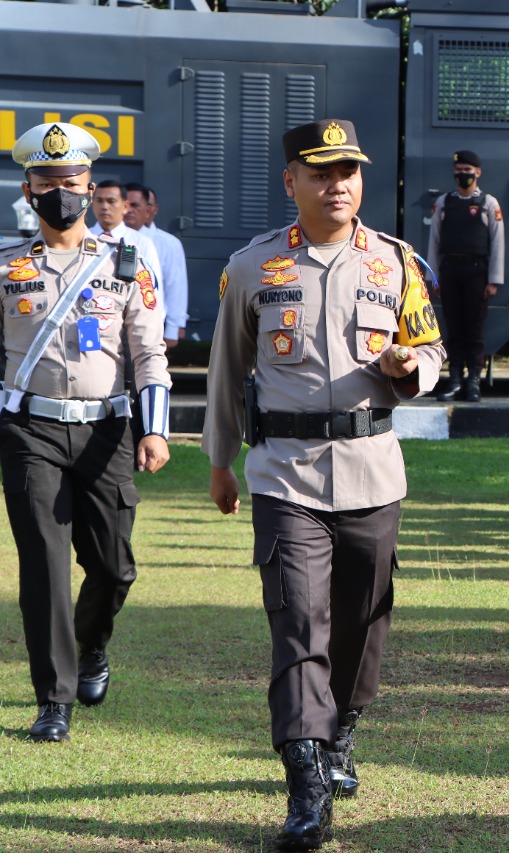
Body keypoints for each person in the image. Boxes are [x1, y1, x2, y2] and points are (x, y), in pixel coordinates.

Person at [202, 119, 444, 849]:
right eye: (321, 172)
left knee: (363, 620)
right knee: (298, 621)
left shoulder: (395, 263)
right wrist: (219, 460)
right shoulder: (253, 267)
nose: (338, 184)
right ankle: (306, 785)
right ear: (292, 183)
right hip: (286, 474)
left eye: (349, 171)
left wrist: (414, 369)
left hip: (374, 469)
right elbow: (225, 369)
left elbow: (431, 346)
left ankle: (341, 731)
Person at [0, 122, 171, 742]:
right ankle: (54, 700)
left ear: (89, 186)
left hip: (108, 432)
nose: (60, 192)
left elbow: (149, 354)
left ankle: (93, 645)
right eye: (46, 182)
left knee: (112, 565)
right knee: (43, 565)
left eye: (70, 182)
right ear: (29, 188)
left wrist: (154, 431)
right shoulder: (8, 267)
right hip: (30, 431)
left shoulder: (126, 264)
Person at [427, 150, 503, 402]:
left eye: (467, 171)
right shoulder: (444, 202)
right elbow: (434, 241)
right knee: (454, 329)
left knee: (474, 330)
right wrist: (434, 278)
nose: (463, 175)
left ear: (478, 173)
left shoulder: (488, 204)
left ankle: (474, 383)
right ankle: (455, 380)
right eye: (458, 171)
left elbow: (497, 243)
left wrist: (493, 279)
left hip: (476, 273)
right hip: (450, 272)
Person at [125, 183, 189, 348]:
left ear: (149, 209)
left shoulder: (166, 243)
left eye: (135, 205)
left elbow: (175, 287)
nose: (129, 210)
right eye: (126, 204)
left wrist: (173, 328)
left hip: (150, 323)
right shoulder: (103, 238)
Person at [89, 180, 163, 297]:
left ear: (125, 206)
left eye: (111, 201)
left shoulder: (142, 243)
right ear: (92, 203)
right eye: (99, 201)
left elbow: (152, 292)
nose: (104, 207)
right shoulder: (82, 237)